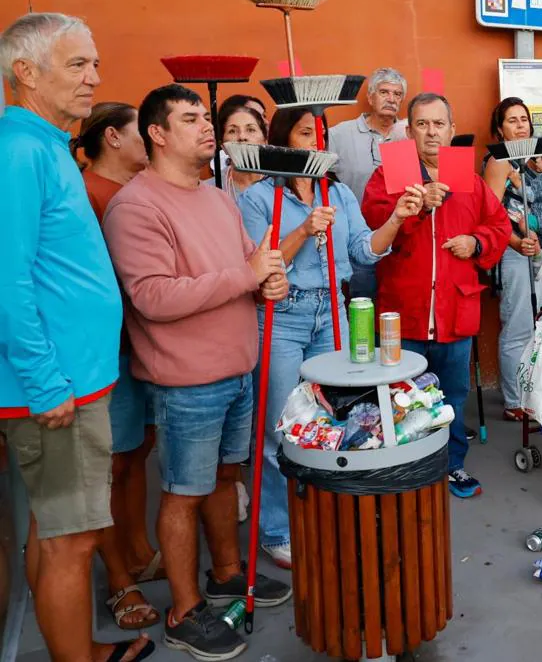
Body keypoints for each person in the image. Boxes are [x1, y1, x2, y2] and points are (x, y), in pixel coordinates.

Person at [104, 83, 292, 661]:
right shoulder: (136, 206)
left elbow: (245, 268)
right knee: (183, 492)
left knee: (225, 478)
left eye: (205, 118)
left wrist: (268, 283)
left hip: (238, 368)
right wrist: (247, 275)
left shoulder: (215, 198)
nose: (208, 128)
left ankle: (227, 574)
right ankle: (185, 611)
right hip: (185, 380)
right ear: (157, 134)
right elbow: (154, 297)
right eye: (191, 120)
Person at [0, 12, 153, 662]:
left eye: (94, 63)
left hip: (70, 382)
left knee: (53, 531)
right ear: (25, 72)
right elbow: (8, 281)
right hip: (56, 392)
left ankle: (77, 647)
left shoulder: (43, 144)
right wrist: (45, 384)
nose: (95, 77)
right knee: (74, 541)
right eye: (77, 65)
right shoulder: (20, 151)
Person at [237, 107, 421, 568]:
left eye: (320, 132)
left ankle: (328, 512)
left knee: (333, 418)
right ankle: (278, 527)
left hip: (334, 310)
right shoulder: (259, 197)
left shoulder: (336, 190)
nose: (316, 140)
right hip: (283, 314)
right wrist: (304, 228)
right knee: (281, 425)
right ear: (283, 140)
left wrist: (396, 217)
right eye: (305, 132)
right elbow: (264, 263)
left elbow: (364, 250)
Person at [362, 92, 510, 499]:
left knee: (451, 397)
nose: (431, 132)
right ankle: (403, 470)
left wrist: (476, 243)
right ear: (408, 131)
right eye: (422, 124)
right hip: (403, 310)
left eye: (439, 124)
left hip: (455, 309)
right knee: (399, 398)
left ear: (451, 129)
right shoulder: (393, 170)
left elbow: (498, 226)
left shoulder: (465, 174)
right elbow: (374, 229)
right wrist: (418, 208)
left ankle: (452, 465)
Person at [75, 103, 165, 630]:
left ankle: (137, 549)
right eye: (140, 134)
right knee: (111, 465)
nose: (149, 144)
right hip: (106, 353)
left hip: (141, 345)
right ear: (112, 138)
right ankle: (117, 580)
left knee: (135, 455)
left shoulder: (134, 192)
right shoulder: (88, 196)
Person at [482, 97, 542, 421]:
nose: (521, 125)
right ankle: (512, 401)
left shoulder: (529, 161)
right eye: (512, 120)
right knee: (518, 326)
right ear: (499, 129)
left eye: (524, 119)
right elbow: (490, 214)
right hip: (511, 251)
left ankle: (529, 392)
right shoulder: (499, 160)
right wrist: (518, 242)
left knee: (536, 326)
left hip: (534, 250)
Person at [328, 67, 409, 300]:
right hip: (357, 239)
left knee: (396, 307)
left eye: (397, 94)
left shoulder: (409, 133)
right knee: (362, 307)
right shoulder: (340, 135)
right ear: (370, 96)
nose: (391, 99)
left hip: (401, 241)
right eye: (384, 92)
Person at [212, 94, 269, 197]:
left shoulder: (281, 185)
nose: (242, 137)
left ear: (265, 140)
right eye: (232, 131)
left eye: (250, 129)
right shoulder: (211, 189)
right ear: (222, 146)